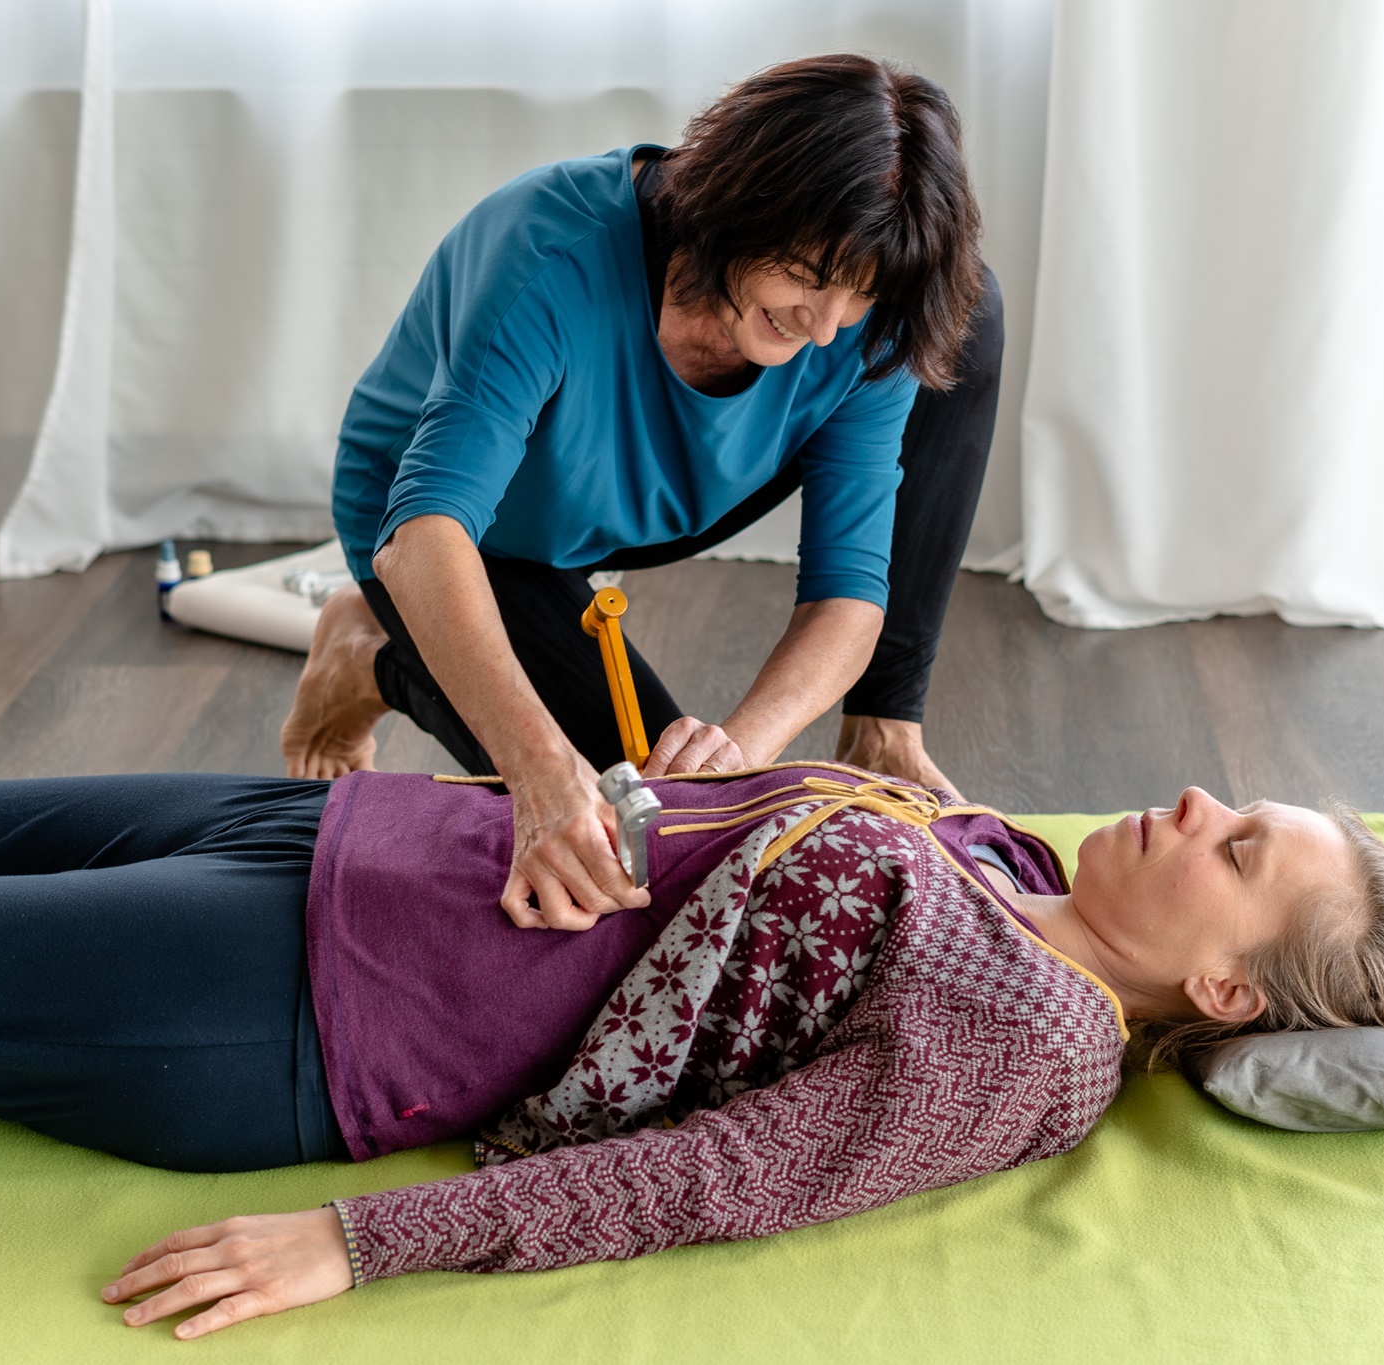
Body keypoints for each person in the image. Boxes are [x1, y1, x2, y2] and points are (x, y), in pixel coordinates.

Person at [0, 767, 1384, 1340]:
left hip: (311, 1008)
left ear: (1227, 995)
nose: (1196, 809)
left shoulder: (1025, 1050)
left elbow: (721, 1176)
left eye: (1236, 853)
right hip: (365, 835)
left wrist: (354, 1243)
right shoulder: (1012, 862)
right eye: (1237, 807)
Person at [282, 54, 1000, 935]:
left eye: (857, 294)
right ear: (748, 200)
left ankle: (885, 727)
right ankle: (371, 646)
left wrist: (738, 753)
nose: (824, 328)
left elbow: (848, 595)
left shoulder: (858, 323)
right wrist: (542, 771)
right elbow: (425, 530)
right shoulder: (549, 250)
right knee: (636, 851)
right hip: (442, 530)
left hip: (640, 491)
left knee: (969, 318)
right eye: (811, 275)